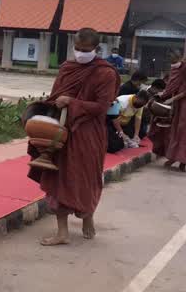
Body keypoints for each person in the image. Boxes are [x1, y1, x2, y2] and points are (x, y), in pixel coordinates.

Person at [29, 27, 119, 246]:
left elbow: (101, 107)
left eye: (85, 49)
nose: (80, 53)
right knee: (58, 178)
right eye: (77, 48)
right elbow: (55, 96)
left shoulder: (105, 73)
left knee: (85, 177)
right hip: (61, 131)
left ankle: (87, 216)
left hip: (89, 133)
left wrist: (73, 102)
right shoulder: (67, 68)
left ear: (96, 49)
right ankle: (62, 232)